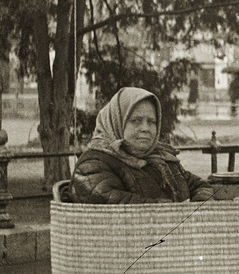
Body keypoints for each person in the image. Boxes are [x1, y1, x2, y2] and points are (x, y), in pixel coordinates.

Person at [71, 87, 214, 204]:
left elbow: (200, 186)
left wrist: (198, 205)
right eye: (136, 121)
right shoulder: (94, 163)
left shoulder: (162, 159)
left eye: (151, 121)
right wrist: (168, 210)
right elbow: (108, 200)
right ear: (116, 122)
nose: (145, 128)